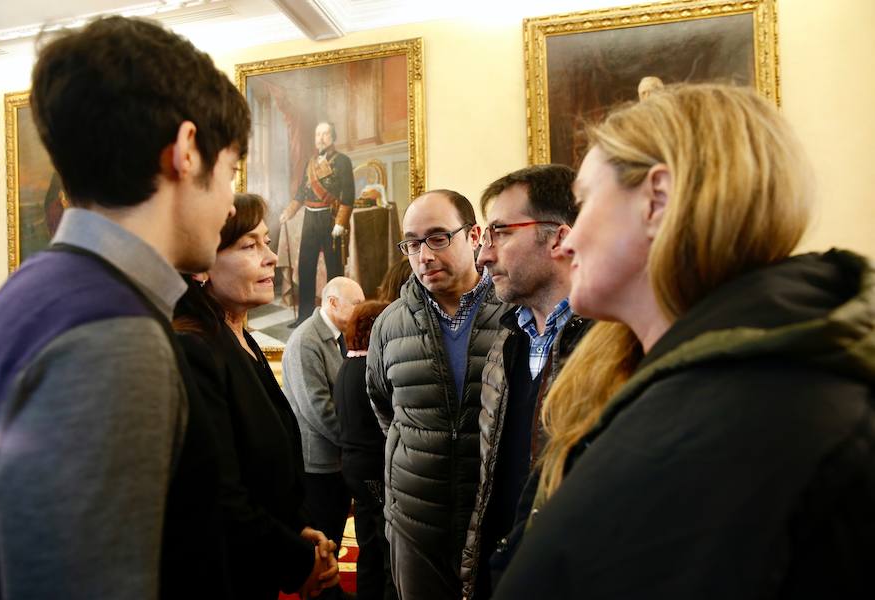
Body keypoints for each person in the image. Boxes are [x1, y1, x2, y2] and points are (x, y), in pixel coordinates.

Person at [493, 84, 875, 599]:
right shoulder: (632, 371)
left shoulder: (766, 423)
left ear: (659, 199)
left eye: (583, 206)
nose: (572, 238)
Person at [0, 16, 250, 600]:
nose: (230, 204)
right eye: (231, 172)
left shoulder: (35, 286)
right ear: (185, 151)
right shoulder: (114, 334)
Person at [173, 193, 340, 599]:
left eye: (267, 242)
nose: (270, 257)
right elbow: (219, 494)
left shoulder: (241, 338)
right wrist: (298, 560)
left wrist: (297, 529)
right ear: (202, 266)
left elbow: (262, 471)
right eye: (249, 245)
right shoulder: (194, 349)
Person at [366, 189, 510, 600]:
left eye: (438, 237)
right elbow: (384, 407)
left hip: (495, 517)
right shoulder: (390, 324)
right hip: (417, 521)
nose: (423, 255)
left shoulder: (513, 311)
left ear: (475, 234)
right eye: (412, 243)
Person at [460, 164, 592, 600]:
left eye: (501, 233)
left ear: (559, 237)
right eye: (485, 237)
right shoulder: (505, 344)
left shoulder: (608, 345)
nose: (483, 255)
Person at [282, 275, 365, 597]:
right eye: (355, 303)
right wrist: (354, 443)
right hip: (318, 464)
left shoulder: (336, 336)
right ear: (332, 303)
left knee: (331, 533)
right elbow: (317, 409)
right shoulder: (307, 340)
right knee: (321, 539)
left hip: (337, 458)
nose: (360, 309)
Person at [334, 300, 398, 600]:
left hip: (353, 466)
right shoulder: (369, 369)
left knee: (367, 541)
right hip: (373, 466)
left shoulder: (347, 365)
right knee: (386, 543)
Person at [280, 121, 356, 327]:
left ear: (333, 137)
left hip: (330, 218)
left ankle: (336, 316)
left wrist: (341, 222)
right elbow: (301, 193)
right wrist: (289, 211)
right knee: (305, 266)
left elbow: (348, 195)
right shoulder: (310, 162)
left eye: (325, 134)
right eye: (317, 135)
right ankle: (304, 316)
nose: (320, 138)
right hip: (310, 217)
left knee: (334, 268)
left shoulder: (343, 161)